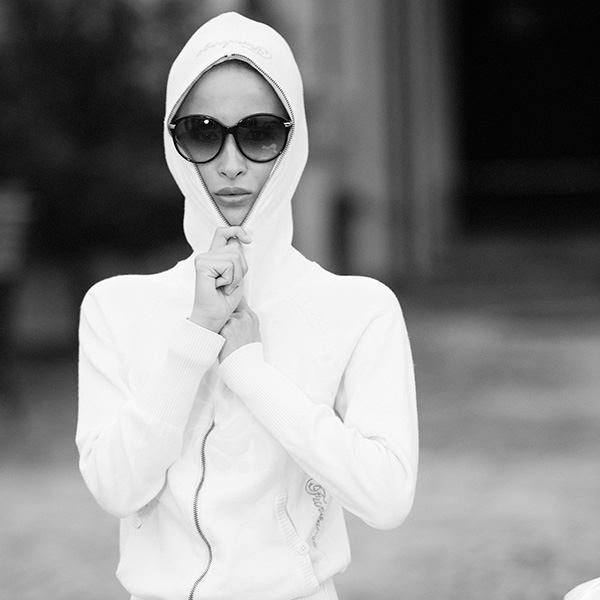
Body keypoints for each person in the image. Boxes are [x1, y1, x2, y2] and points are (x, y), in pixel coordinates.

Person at [76, 11, 418, 600]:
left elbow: (386, 498)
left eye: (259, 132)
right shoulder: (115, 307)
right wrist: (195, 338)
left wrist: (251, 373)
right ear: (174, 141)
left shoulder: (360, 308)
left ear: (294, 138)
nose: (231, 164)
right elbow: (116, 488)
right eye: (203, 133)